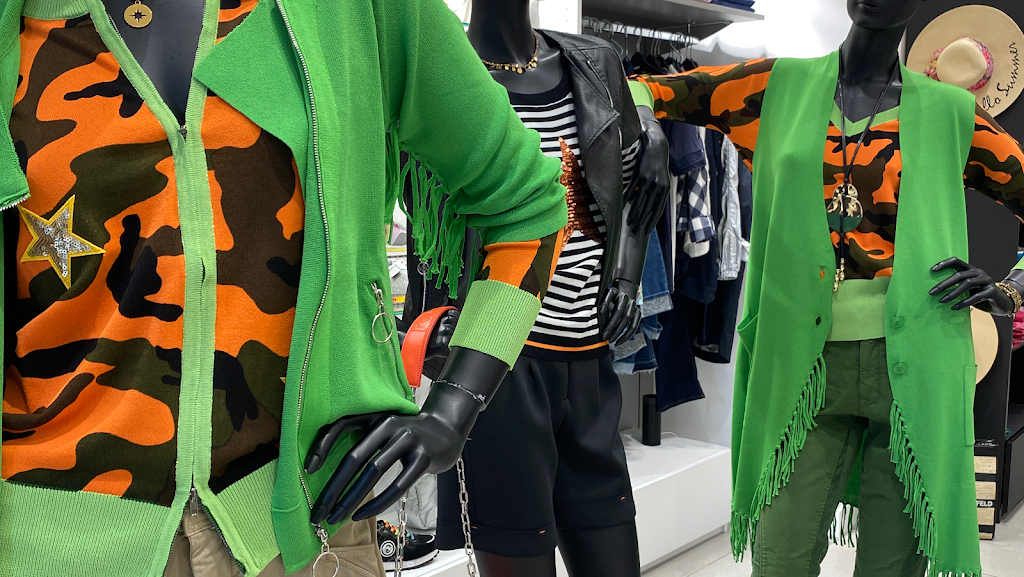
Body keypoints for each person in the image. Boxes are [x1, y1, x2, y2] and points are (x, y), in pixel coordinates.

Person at [0, 0, 570, 575]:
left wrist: (454, 407)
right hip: (51, 537)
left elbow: (527, 204)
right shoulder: (20, 27)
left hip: (302, 532)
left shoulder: (358, 12)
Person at [629, 0, 1024, 575]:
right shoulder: (774, 87)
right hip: (800, 365)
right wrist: (650, 130)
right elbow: (642, 87)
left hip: (919, 364)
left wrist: (1011, 288)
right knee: (780, 558)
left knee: (894, 565)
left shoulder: (951, 113)